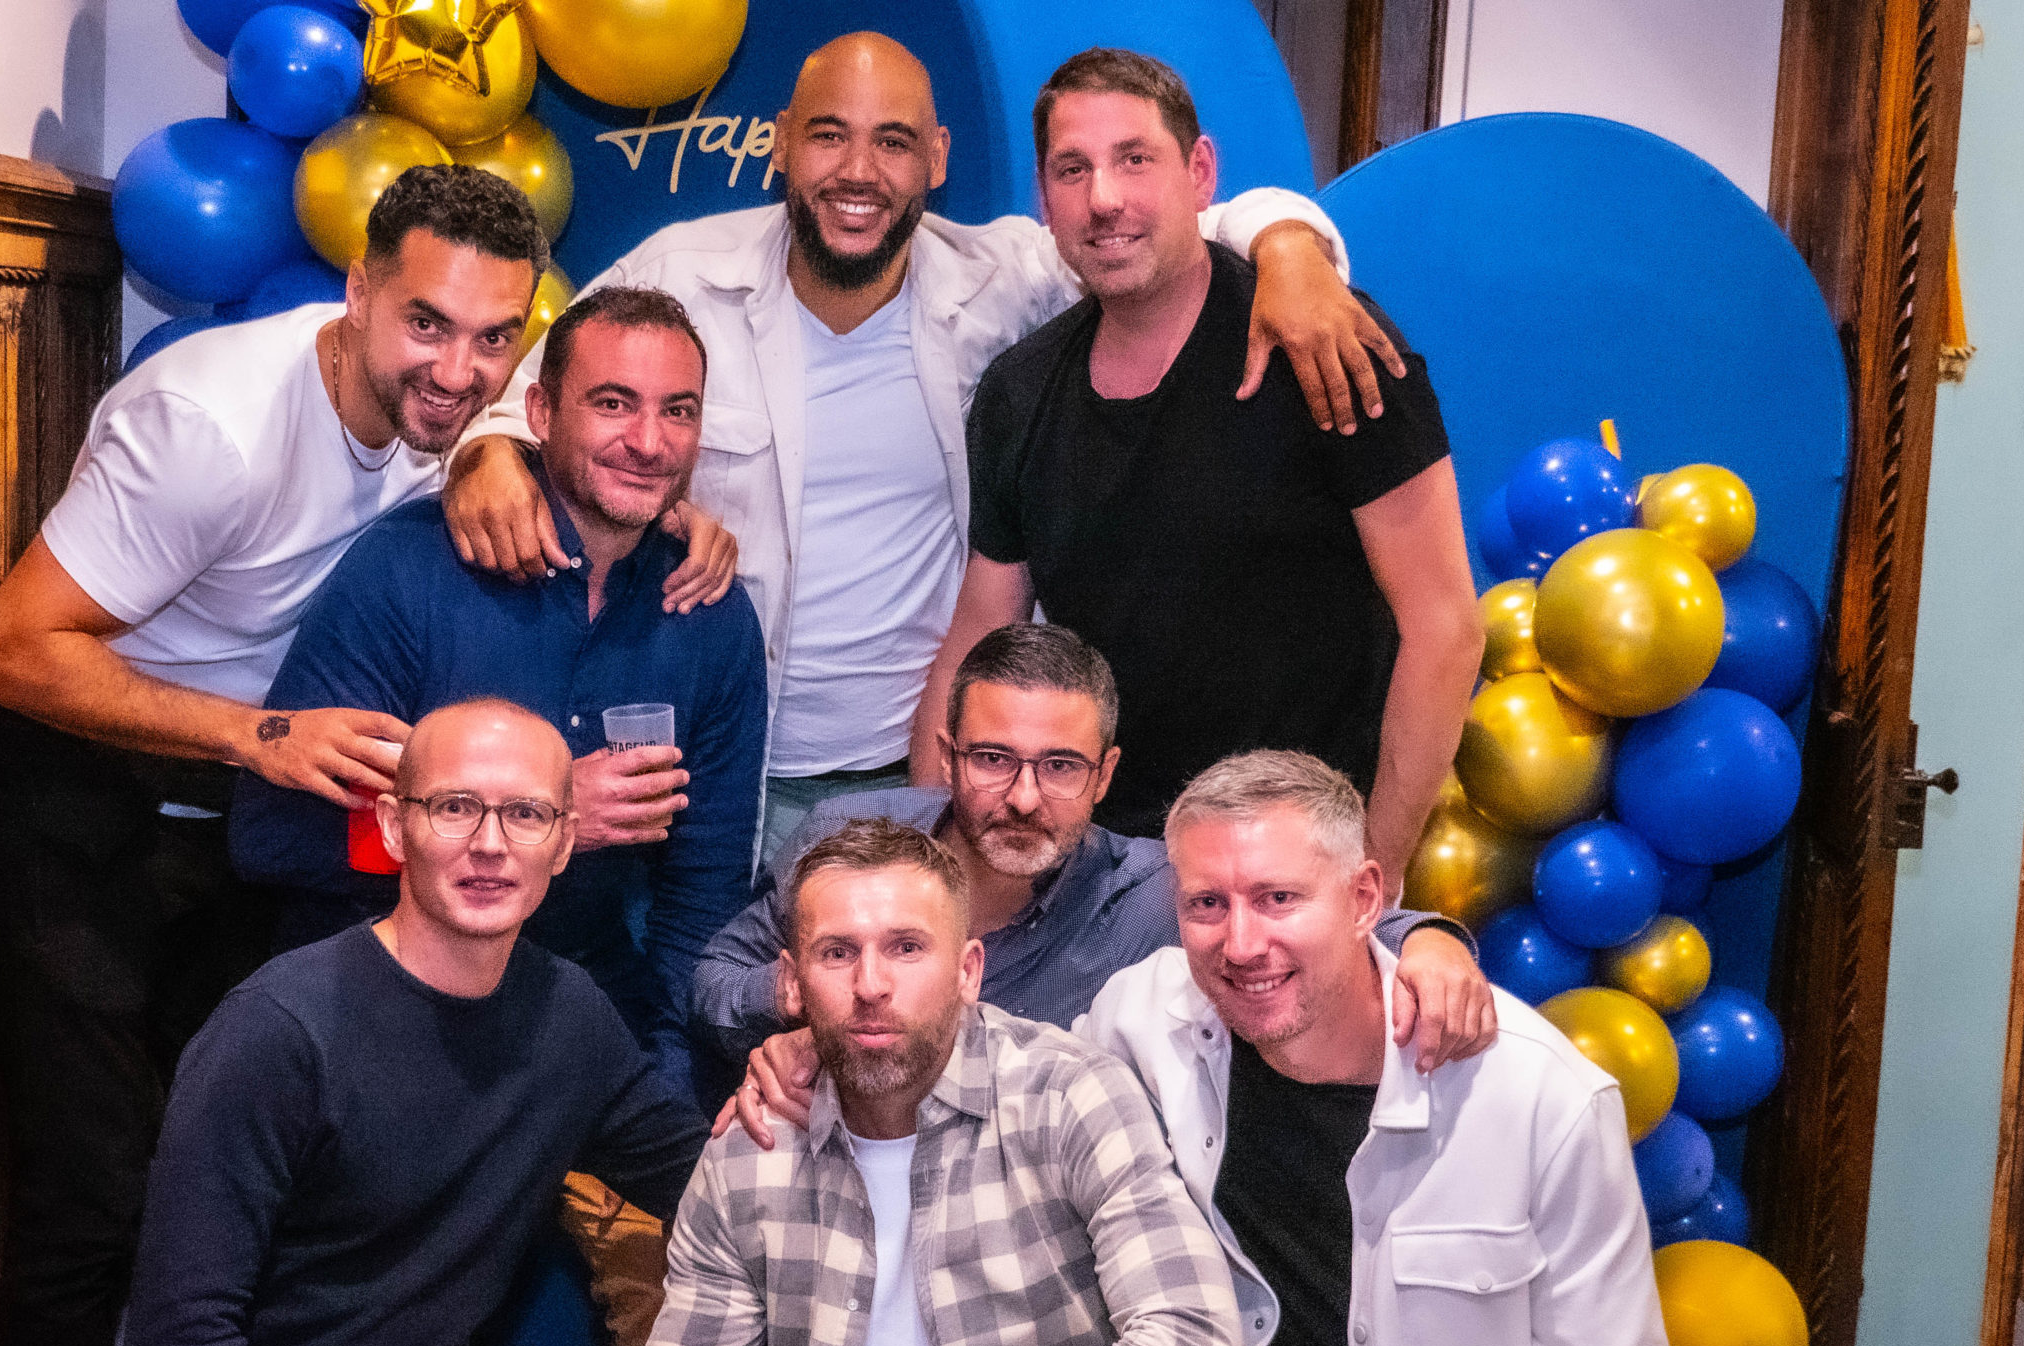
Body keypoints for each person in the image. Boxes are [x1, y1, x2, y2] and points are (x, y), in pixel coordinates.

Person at [0, 166, 725, 1346]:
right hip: (75, 785)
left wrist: (521, 458)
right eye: (427, 325)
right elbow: (5, 649)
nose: (458, 365)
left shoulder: (469, 414)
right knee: (93, 1196)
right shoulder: (211, 425)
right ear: (353, 292)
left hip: (247, 827)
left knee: (221, 1187)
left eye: (493, 338)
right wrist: (252, 736)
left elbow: (550, 430)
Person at [446, 31, 1408, 856]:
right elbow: (538, 396)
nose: (858, 172)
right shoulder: (681, 275)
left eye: (894, 142)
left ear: (938, 158)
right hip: (707, 768)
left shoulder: (1005, 278)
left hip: (912, 776)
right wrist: (489, 454)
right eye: (829, 134)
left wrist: (1290, 247)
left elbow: (1176, 227)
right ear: (780, 143)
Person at [563, 818, 1259, 1346]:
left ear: (968, 971)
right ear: (791, 982)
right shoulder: (749, 1155)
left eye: (905, 948)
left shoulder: (1069, 1093)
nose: (871, 984)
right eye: (837, 953)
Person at [120, 700, 721, 1346]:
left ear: (564, 843)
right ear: (395, 828)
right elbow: (175, 1344)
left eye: (526, 814)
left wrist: (805, 1075)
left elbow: (705, 1178)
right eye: (455, 808)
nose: (491, 844)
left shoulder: (566, 1015)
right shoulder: (277, 1030)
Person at [1073, 751, 1681, 1346]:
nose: (1241, 944)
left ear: (1365, 899)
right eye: (1207, 904)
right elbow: (1014, 1106)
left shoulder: (1538, 1094)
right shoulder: (1140, 1022)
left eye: (1278, 898)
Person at [920, 49, 1483, 858]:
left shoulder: (1326, 348)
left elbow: (1445, 627)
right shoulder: (1019, 391)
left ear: (1201, 173)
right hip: (1107, 864)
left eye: (1135, 159)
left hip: (1303, 858)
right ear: (1043, 197)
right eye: (1073, 169)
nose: (1104, 199)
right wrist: (927, 859)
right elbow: (980, 641)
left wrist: (1377, 870)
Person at [229, 287, 767, 1102]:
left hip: (582, 1020)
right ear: (540, 413)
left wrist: (668, 1099)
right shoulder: (409, 570)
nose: (648, 441)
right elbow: (273, 836)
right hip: (377, 1016)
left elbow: (703, 899)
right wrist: (533, 820)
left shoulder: (709, 612)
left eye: (678, 411)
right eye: (613, 404)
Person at [692, 623, 1496, 1080]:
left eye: (1061, 767)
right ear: (947, 756)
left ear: (1106, 774)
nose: (1023, 798)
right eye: (993, 759)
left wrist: (1430, 945)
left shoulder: (1148, 894)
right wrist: (809, 997)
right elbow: (714, 983)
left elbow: (1320, 922)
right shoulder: (846, 839)